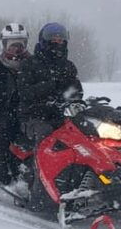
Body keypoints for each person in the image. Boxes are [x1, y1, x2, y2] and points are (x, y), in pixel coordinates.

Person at [17, 23, 83, 207]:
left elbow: (75, 89)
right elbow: (24, 92)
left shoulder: (68, 65)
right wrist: (50, 87)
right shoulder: (30, 64)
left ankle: (87, 175)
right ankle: (39, 189)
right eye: (53, 39)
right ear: (44, 40)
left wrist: (72, 98)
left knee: (85, 134)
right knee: (46, 136)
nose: (57, 42)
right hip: (34, 116)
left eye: (61, 39)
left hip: (61, 114)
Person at [0, 22, 31, 185]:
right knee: (5, 137)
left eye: (20, 45)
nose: (16, 49)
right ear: (4, 45)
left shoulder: (32, 63)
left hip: (29, 111)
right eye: (12, 45)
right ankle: (4, 172)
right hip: (5, 114)